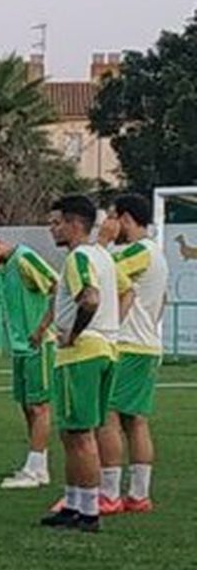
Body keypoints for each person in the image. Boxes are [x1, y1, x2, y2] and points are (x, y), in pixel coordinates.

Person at [39, 195, 124, 533]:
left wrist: (73, 334)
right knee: (72, 432)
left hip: (82, 353)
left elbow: (89, 298)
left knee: (80, 434)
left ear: (75, 224)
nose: (52, 228)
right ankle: (74, 503)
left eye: (56, 222)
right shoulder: (102, 256)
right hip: (105, 348)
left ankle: (88, 512)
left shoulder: (79, 257)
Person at [0, 229, 57, 490]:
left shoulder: (24, 258)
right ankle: (37, 465)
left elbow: (56, 285)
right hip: (20, 347)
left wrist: (42, 328)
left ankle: (35, 467)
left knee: (39, 406)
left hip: (38, 344)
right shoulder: (4, 268)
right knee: (27, 406)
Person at [98, 193, 167, 514]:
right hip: (147, 343)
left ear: (125, 219)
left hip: (127, 344)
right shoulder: (157, 253)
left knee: (107, 415)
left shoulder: (139, 251)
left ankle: (109, 493)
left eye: (113, 217)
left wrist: (102, 241)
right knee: (135, 421)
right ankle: (138, 494)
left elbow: (99, 269)